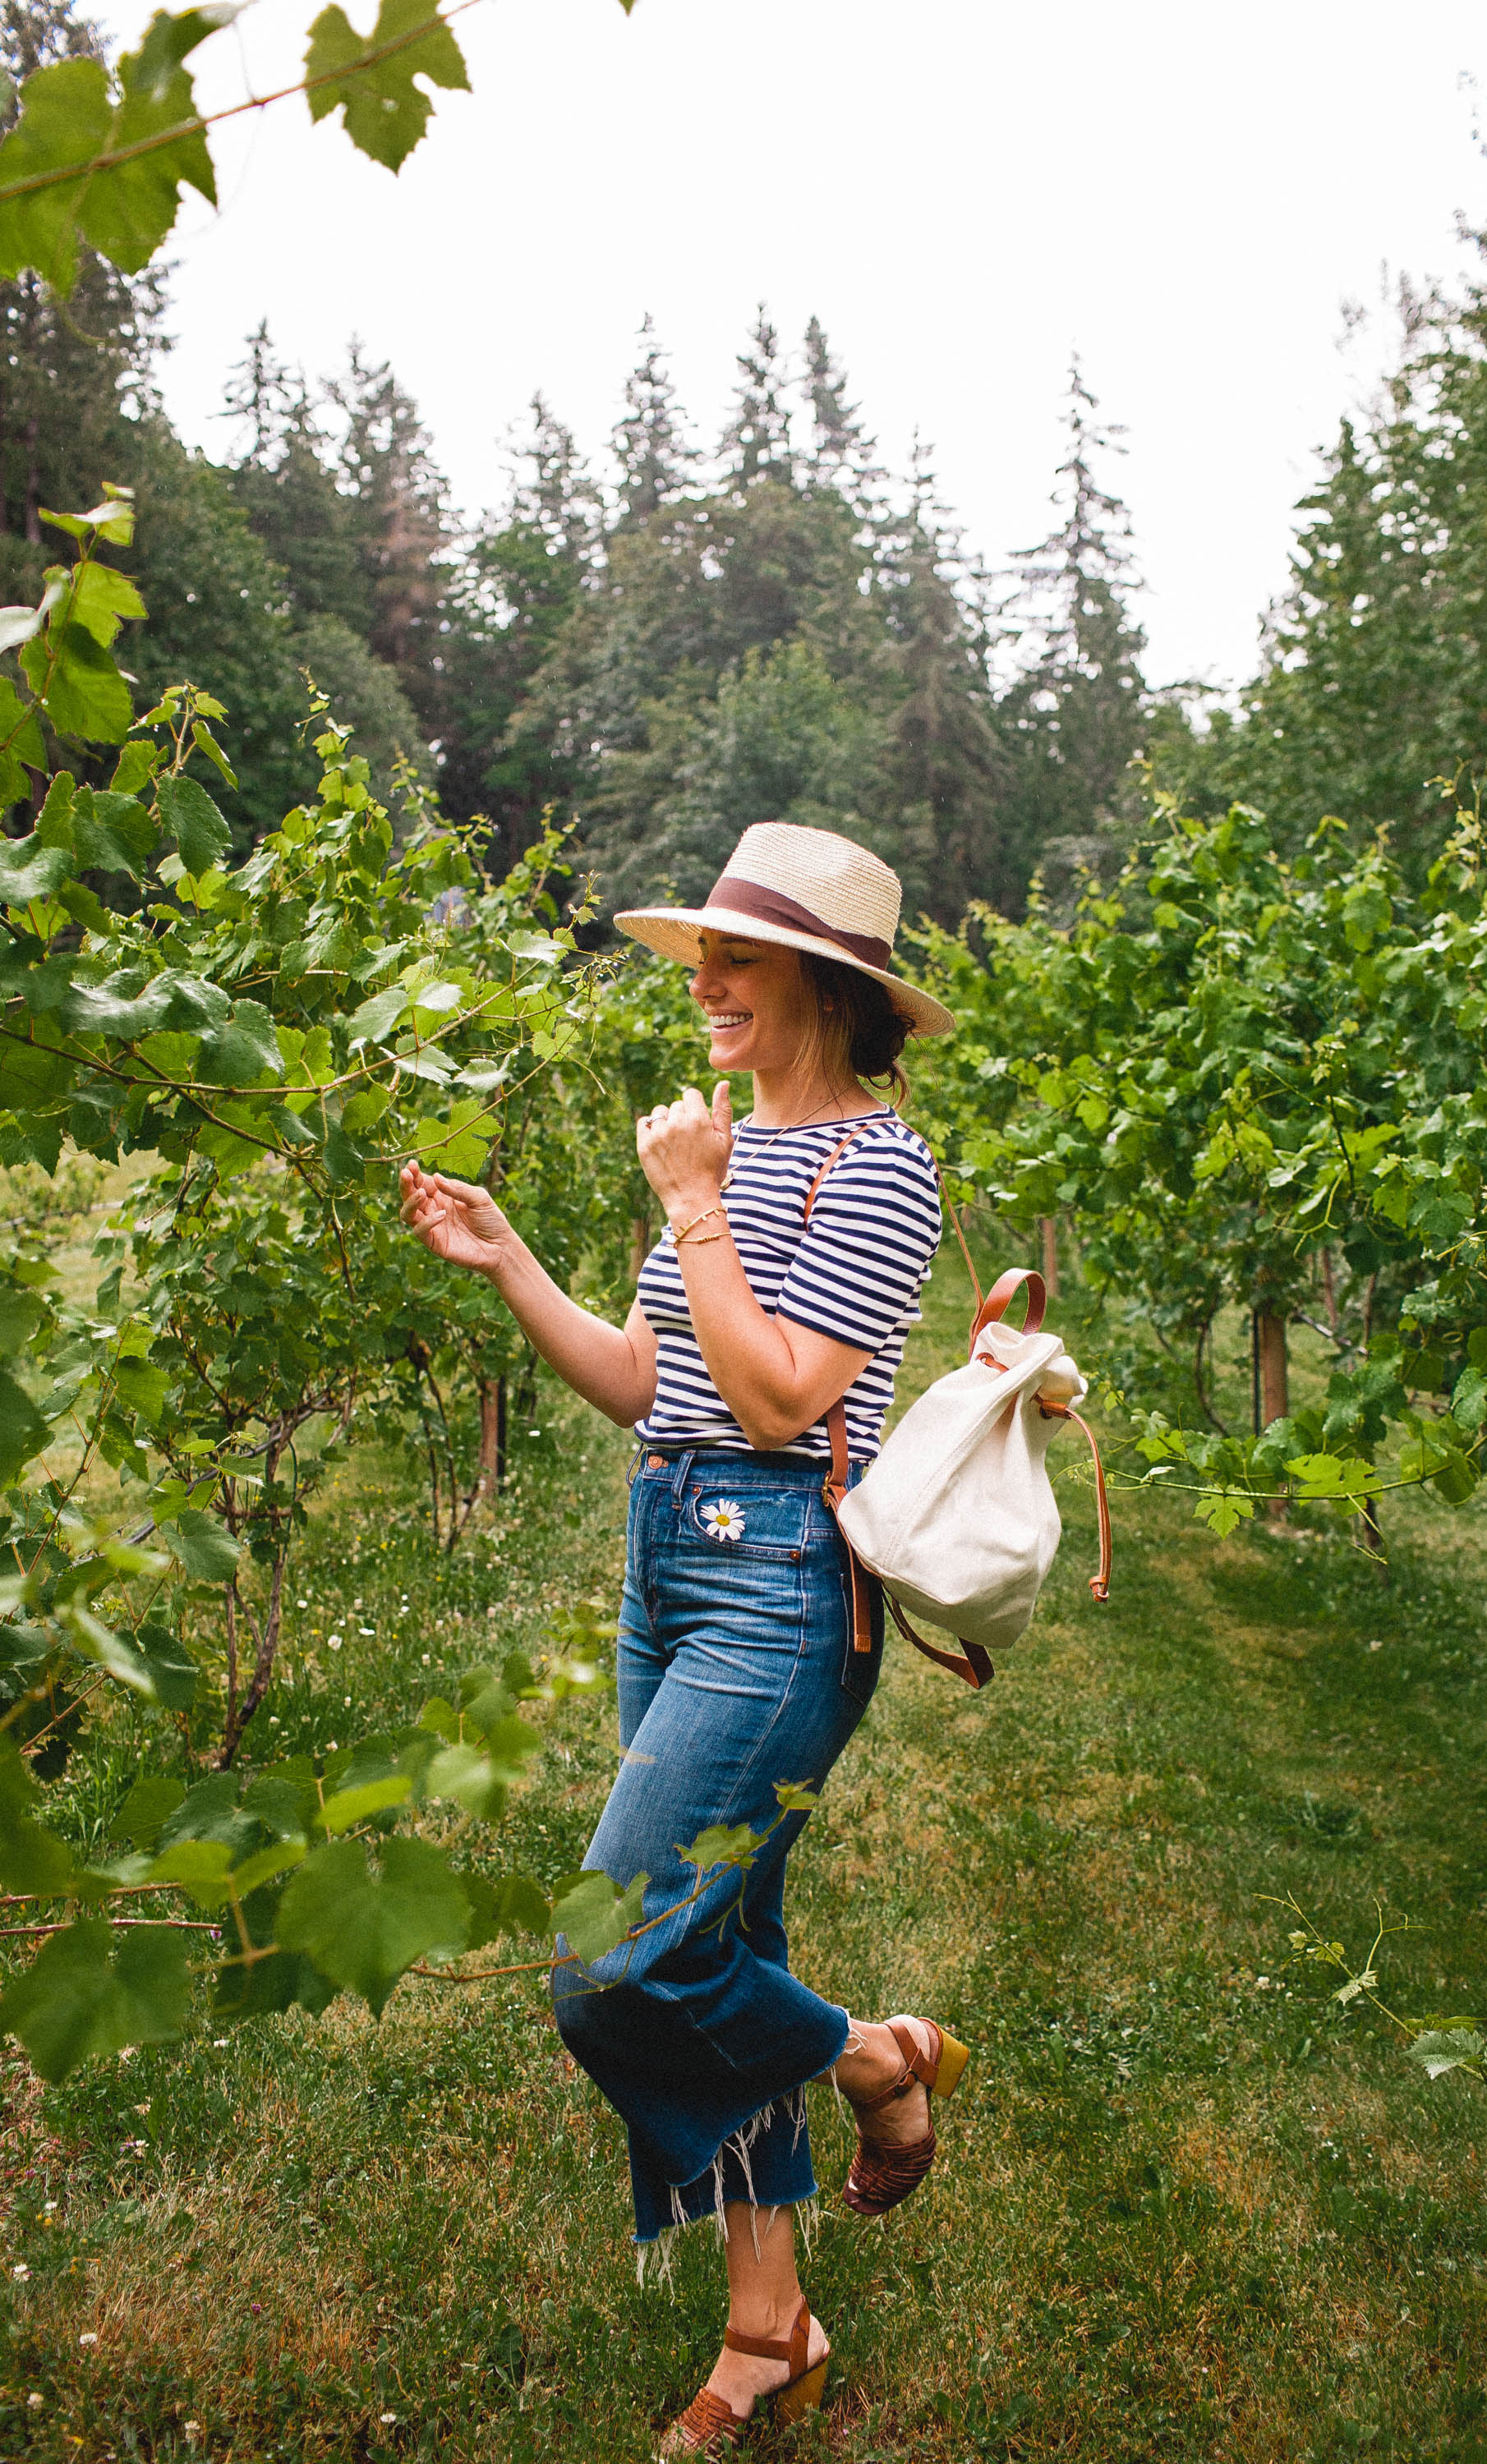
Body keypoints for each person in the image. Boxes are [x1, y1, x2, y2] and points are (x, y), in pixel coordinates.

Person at [398, 821, 970, 2454]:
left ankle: (874, 2060)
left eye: (732, 956)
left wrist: (696, 1201)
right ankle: (766, 2327)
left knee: (619, 1962)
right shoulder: (718, 1152)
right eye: (701, 955)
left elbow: (788, 1398)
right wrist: (511, 1257)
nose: (702, 982)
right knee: (726, 1946)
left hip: (784, 1585)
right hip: (673, 1556)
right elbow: (663, 1382)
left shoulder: (877, 1162)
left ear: (821, 983)